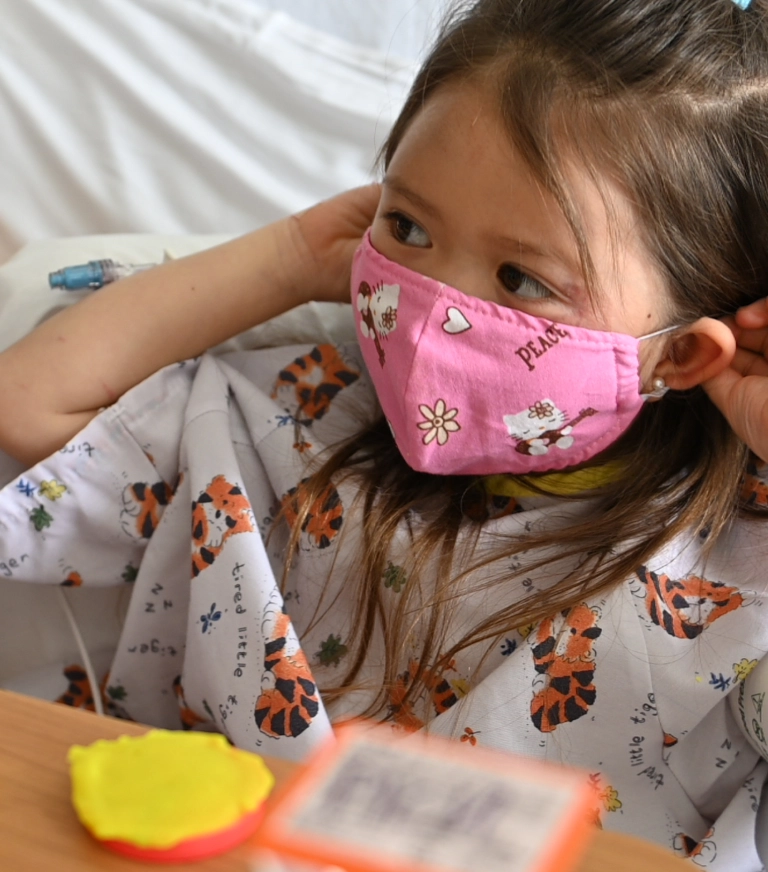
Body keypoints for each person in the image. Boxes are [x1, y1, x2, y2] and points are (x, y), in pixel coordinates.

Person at [2, 0, 768, 865]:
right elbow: (30, 402)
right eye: (407, 227)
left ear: (681, 359)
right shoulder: (295, 417)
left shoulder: (735, 568)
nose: (430, 310)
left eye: (521, 277)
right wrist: (294, 256)